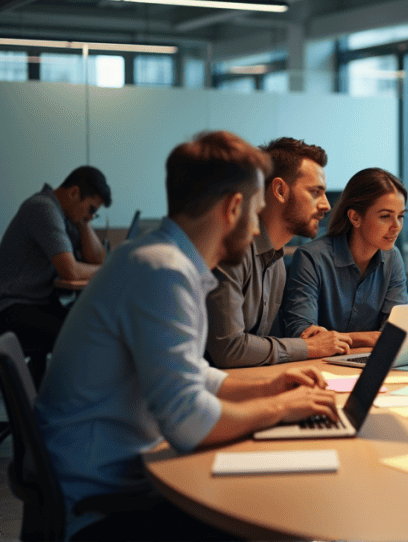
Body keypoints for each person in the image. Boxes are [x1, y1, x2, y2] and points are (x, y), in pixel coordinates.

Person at [34, 131, 340, 541]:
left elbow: (192, 372)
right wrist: (281, 407)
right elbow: (188, 420)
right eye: (255, 211)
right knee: (275, 512)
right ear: (234, 208)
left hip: (121, 473)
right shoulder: (163, 272)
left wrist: (269, 386)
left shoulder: (162, 259)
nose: (256, 228)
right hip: (103, 500)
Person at [205, 137, 353, 368]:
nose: (326, 205)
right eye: (315, 192)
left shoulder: (276, 263)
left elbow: (258, 344)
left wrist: (304, 339)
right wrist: (309, 347)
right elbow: (228, 350)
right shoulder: (231, 251)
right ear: (280, 190)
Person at [0, 166, 111, 384]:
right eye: (90, 209)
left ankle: (51, 395)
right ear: (73, 193)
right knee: (83, 333)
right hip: (11, 307)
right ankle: (64, 405)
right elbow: (70, 270)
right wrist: (110, 271)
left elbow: (97, 258)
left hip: (36, 302)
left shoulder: (64, 214)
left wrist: (83, 221)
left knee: (88, 322)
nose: (90, 216)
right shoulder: (43, 209)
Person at [281, 168, 408, 348]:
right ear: (355, 217)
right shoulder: (311, 258)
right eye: (385, 216)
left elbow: (395, 330)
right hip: (318, 365)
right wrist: (367, 338)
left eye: (401, 216)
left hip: (367, 360)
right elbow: (301, 333)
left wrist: (338, 338)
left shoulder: (392, 258)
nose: (396, 226)